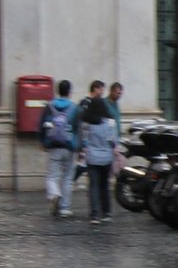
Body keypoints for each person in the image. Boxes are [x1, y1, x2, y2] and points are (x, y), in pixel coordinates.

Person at [40, 79, 79, 217]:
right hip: (69, 146)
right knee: (67, 177)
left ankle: (54, 194)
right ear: (69, 92)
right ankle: (64, 208)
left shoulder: (50, 106)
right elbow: (78, 128)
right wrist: (78, 145)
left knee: (52, 176)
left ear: (58, 91)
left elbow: (42, 124)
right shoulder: (74, 107)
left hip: (53, 145)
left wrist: (43, 141)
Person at [77, 95, 119, 224]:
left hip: (92, 158)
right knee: (104, 185)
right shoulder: (111, 123)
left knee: (93, 186)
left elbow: (84, 142)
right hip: (106, 157)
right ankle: (106, 212)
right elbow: (113, 141)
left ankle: (94, 214)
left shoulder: (86, 124)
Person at [73, 80, 105, 181]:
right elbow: (82, 123)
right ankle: (70, 180)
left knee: (86, 164)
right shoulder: (85, 102)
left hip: (93, 139)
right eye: (101, 89)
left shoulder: (97, 102)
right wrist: (83, 142)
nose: (102, 92)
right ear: (95, 89)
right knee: (83, 164)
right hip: (86, 138)